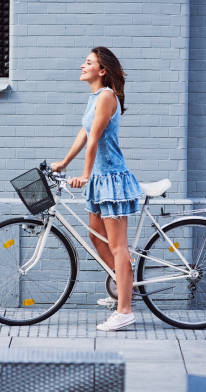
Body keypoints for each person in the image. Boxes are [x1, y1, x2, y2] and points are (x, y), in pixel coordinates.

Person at [52, 46, 143, 331]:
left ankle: (125, 309)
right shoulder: (94, 98)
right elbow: (85, 133)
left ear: (102, 71)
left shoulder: (106, 97)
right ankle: (124, 286)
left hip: (111, 180)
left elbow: (95, 142)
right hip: (100, 181)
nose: (82, 65)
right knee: (96, 238)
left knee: (118, 247)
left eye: (88, 62)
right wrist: (64, 163)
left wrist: (84, 176)